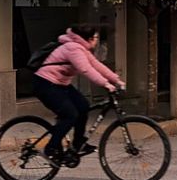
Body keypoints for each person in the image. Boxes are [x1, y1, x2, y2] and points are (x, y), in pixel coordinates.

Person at [34, 25, 125, 161]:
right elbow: (86, 69)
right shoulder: (73, 48)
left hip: (60, 84)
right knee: (70, 115)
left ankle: (78, 144)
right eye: (95, 38)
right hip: (46, 84)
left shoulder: (82, 48)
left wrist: (117, 80)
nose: (97, 40)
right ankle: (50, 148)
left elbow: (97, 65)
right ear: (88, 39)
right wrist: (105, 84)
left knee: (83, 106)